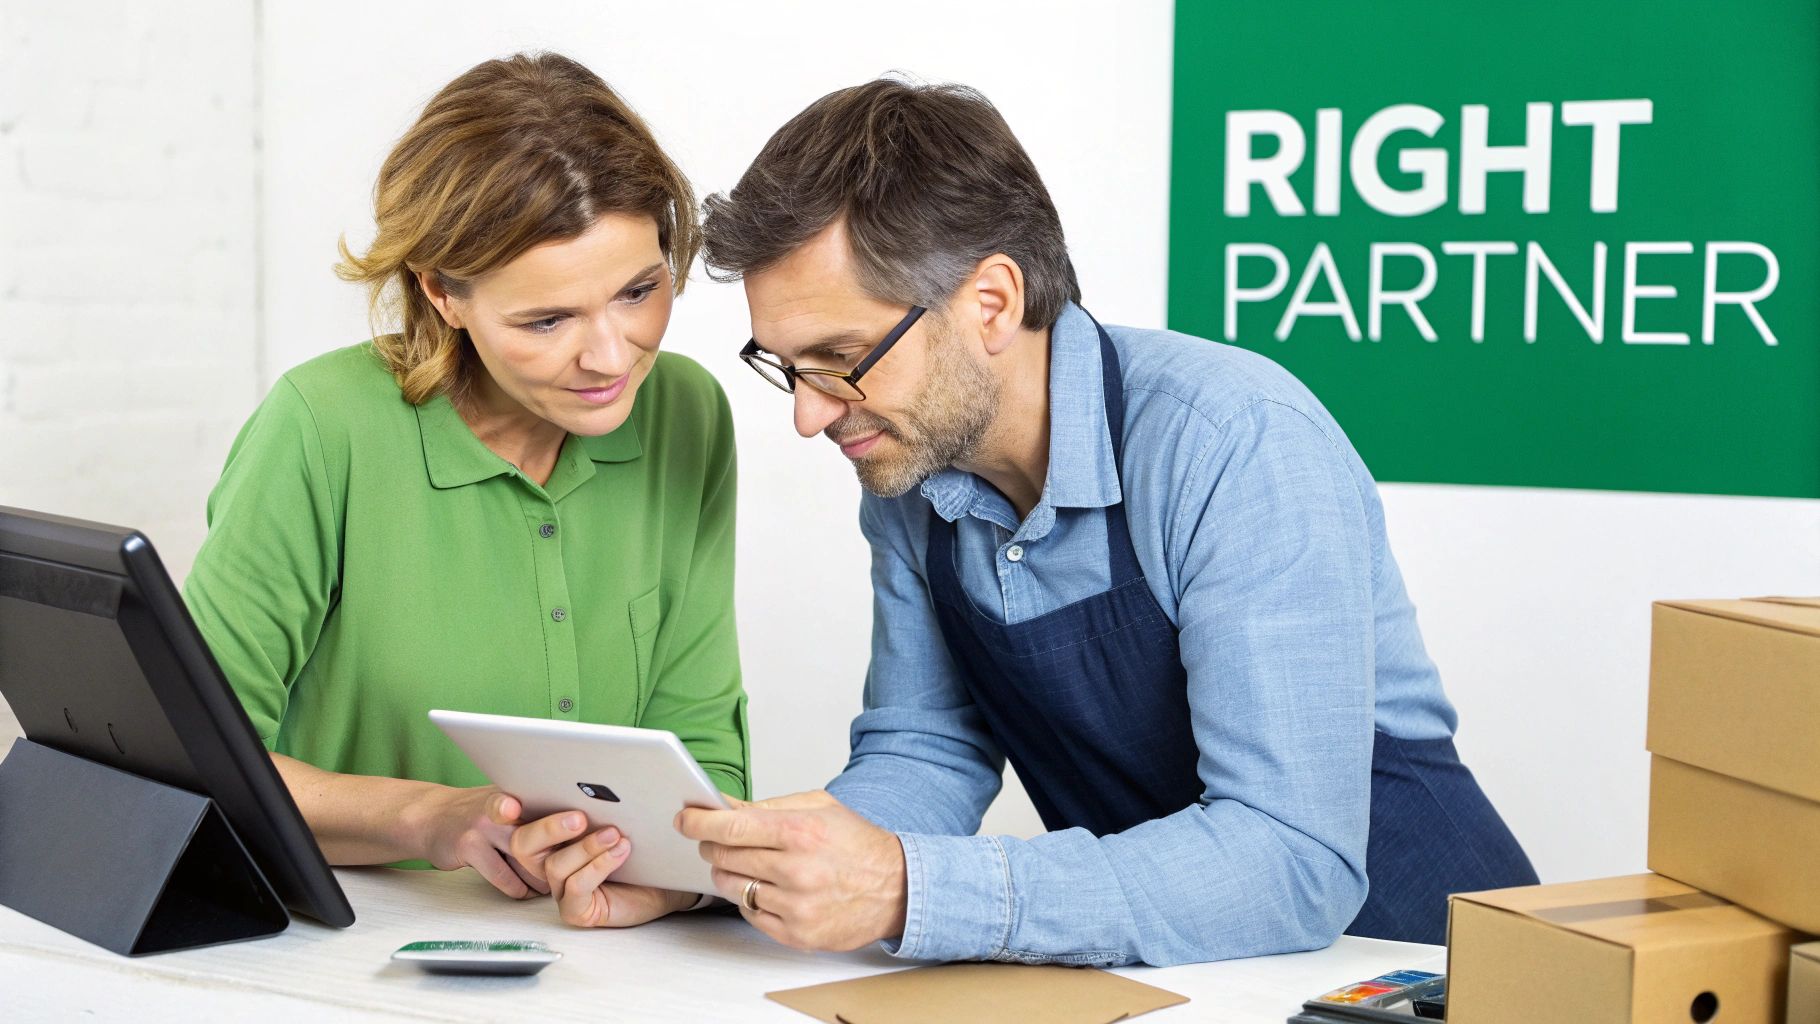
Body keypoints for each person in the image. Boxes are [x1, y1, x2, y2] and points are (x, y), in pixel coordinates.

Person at [675, 78, 1537, 966]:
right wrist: (740, 870)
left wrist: (910, 888)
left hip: (1430, 965)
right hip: (1202, 973)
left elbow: (1292, 860)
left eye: (842, 360)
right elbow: (927, 750)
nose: (811, 416)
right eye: (787, 367)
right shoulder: (909, 468)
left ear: (993, 303)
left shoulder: (1234, 444)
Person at [185, 52, 748, 928]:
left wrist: (669, 880)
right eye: (547, 320)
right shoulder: (322, 426)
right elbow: (199, 762)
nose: (611, 356)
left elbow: (700, 739)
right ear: (443, 293)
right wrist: (436, 818)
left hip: (601, 957)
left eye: (639, 291)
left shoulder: (685, 415)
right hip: (340, 945)